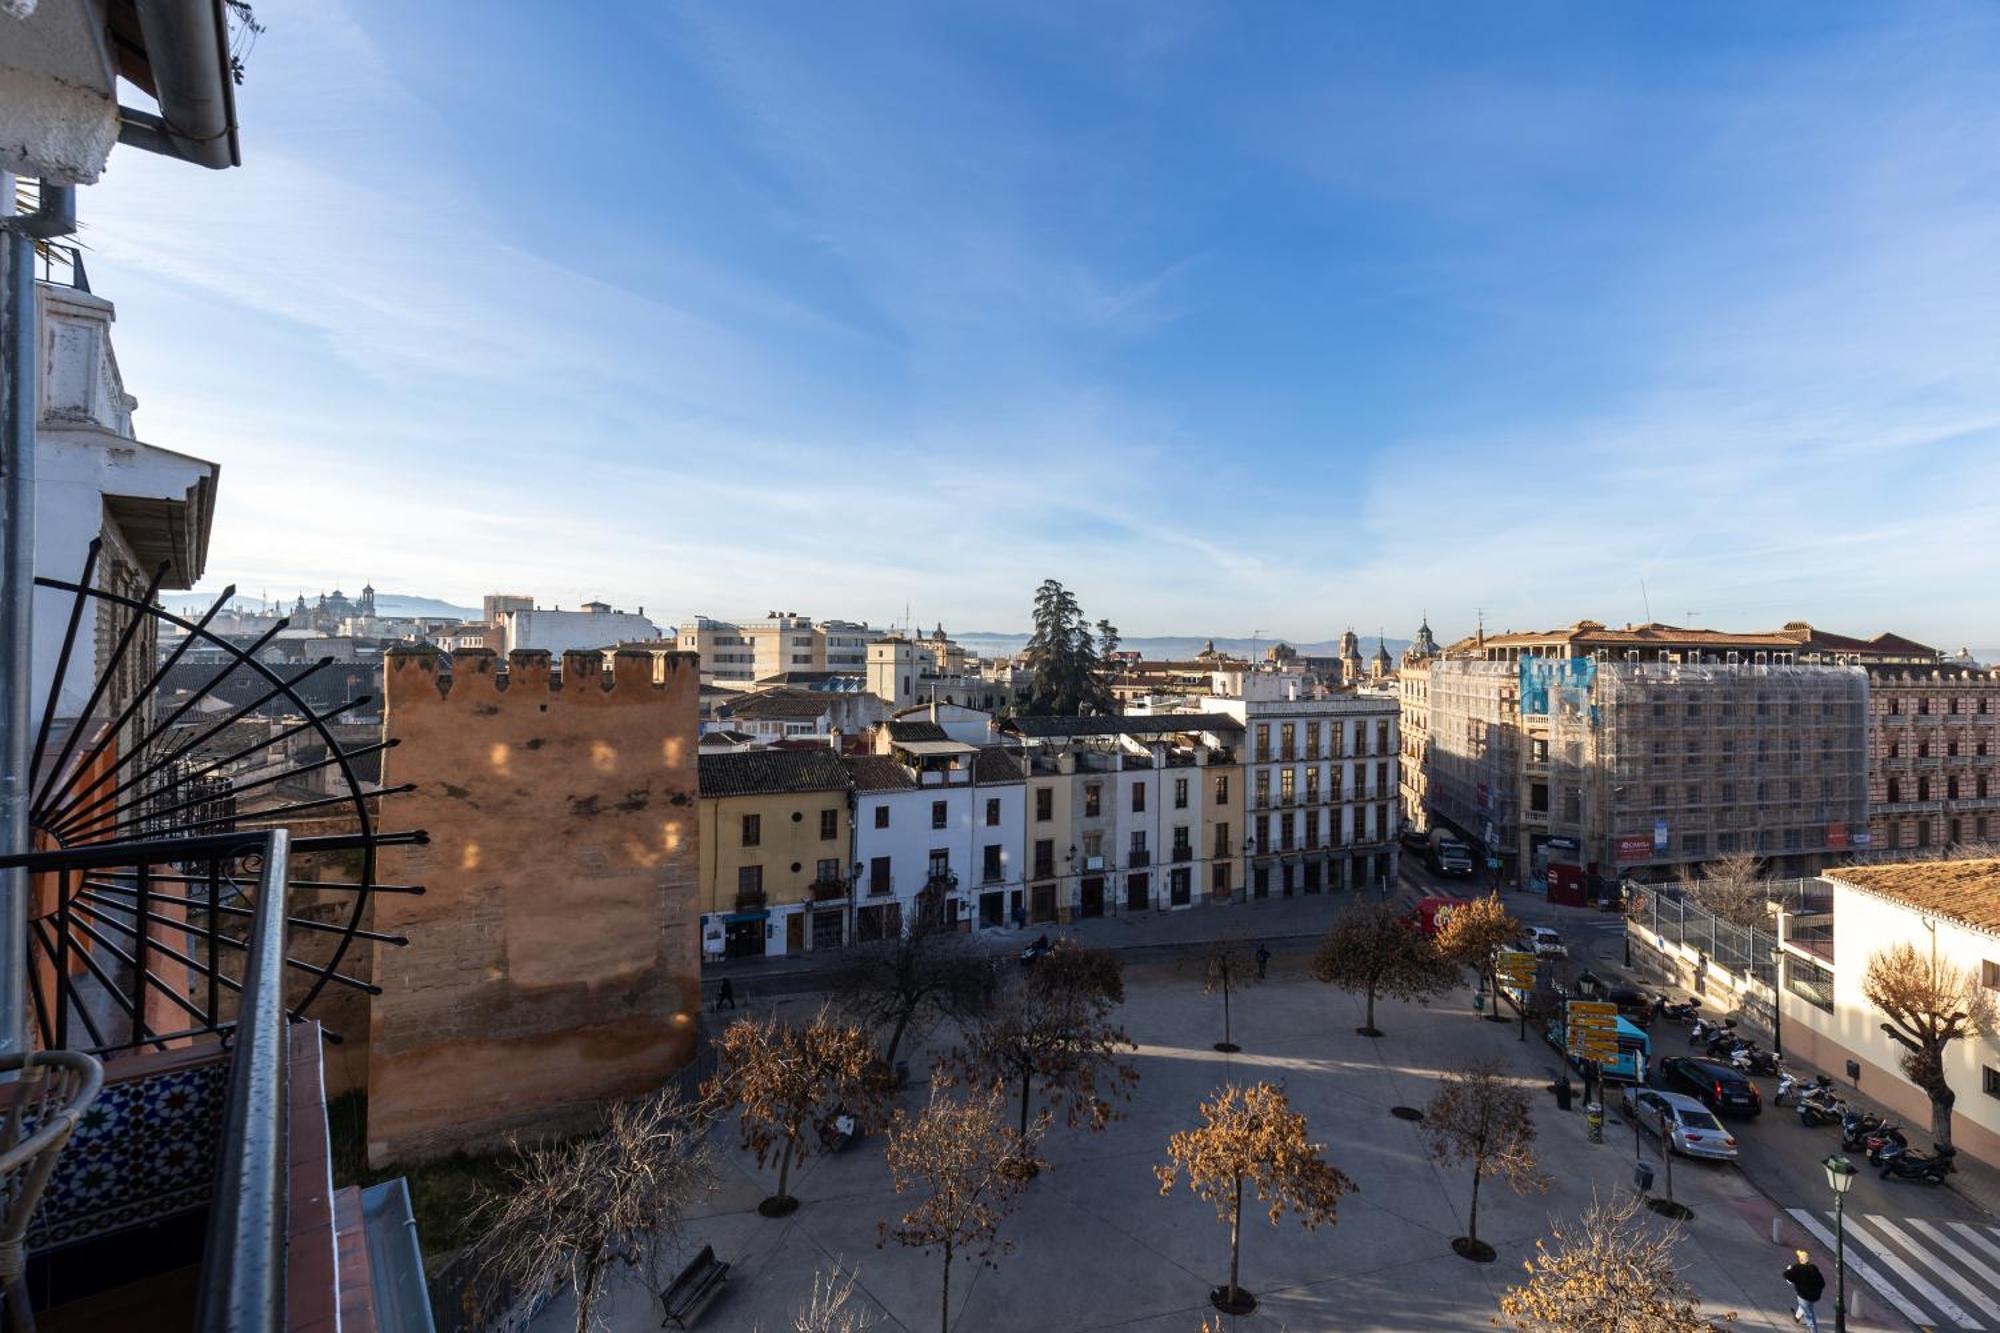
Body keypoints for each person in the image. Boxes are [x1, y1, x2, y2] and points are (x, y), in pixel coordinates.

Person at [1784, 1250, 1826, 1331]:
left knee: (1809, 1315)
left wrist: (1788, 1270)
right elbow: (1822, 1283)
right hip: (1814, 1296)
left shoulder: (1797, 1268)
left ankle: (1814, 1331)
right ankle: (1797, 1317)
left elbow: (1786, 1276)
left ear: (1800, 1260)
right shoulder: (1814, 1268)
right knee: (1804, 1306)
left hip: (1803, 1295)